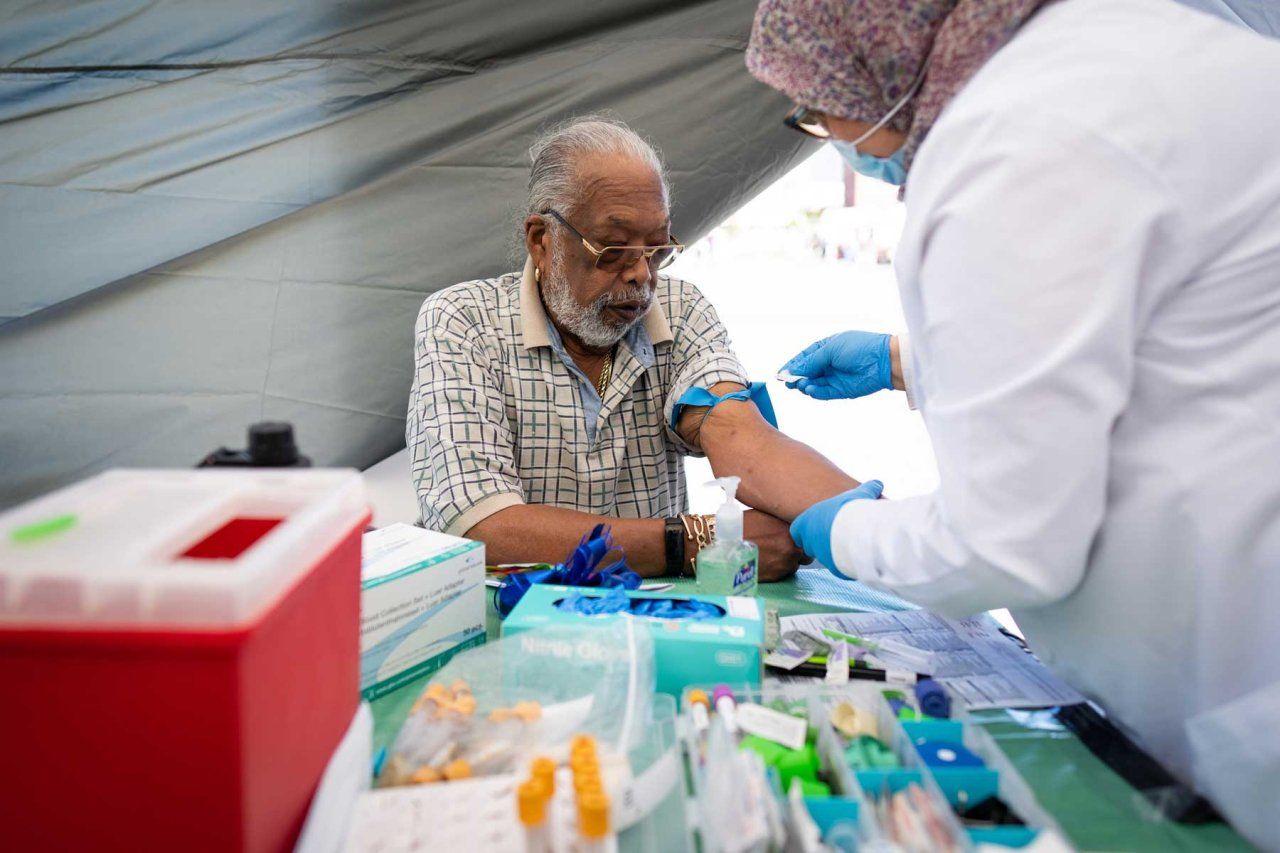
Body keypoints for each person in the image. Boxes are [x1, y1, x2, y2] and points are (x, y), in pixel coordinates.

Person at [746, 0, 1280, 846]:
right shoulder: (1109, 51)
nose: (826, 128)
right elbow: (1155, 330)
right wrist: (905, 361)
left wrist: (838, 523)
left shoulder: (1012, 139)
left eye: (816, 105)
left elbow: (1002, 542)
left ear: (880, 54)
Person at [406, 117, 866, 580]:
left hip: (653, 622)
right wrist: (693, 541)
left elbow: (740, 437)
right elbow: (483, 530)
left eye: (657, 249)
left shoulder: (680, 310)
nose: (642, 275)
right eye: (613, 249)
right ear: (542, 240)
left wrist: (877, 528)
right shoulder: (464, 321)